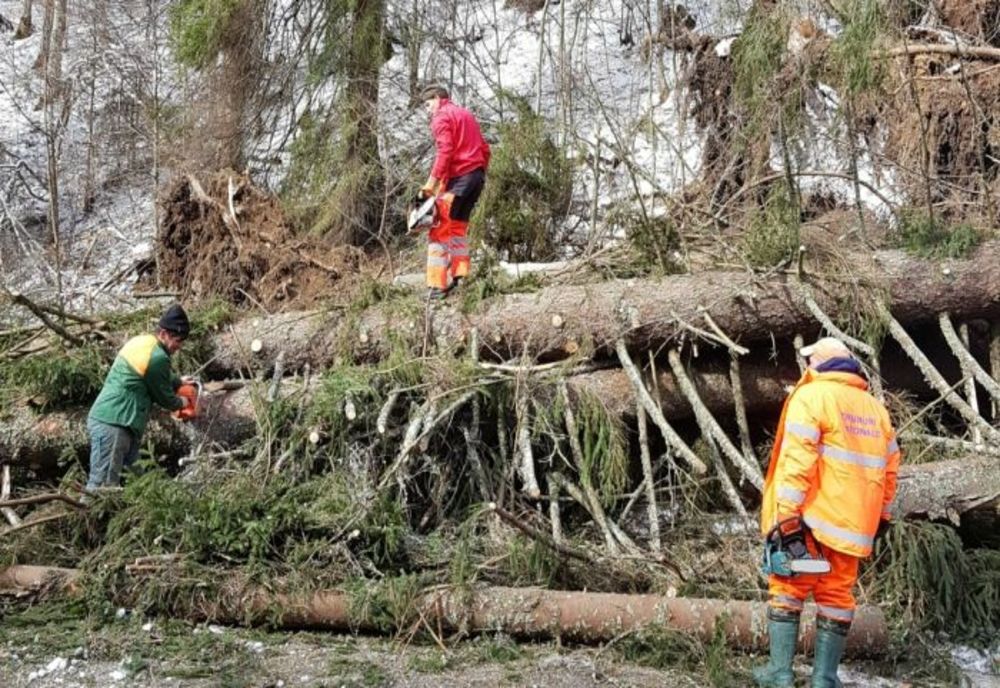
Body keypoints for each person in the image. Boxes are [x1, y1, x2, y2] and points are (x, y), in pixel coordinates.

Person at [755, 337, 901, 688]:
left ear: (817, 363)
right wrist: (880, 518)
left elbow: (797, 462)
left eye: (809, 362)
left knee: (787, 589)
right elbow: (890, 471)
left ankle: (779, 674)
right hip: (851, 530)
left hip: (809, 524)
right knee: (836, 597)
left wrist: (785, 516)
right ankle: (825, 679)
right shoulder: (876, 410)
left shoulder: (812, 397)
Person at [85, 304, 192, 492]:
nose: (179, 346)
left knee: (138, 482)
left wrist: (178, 382)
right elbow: (165, 398)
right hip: (115, 423)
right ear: (164, 333)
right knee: (102, 487)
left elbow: (155, 374)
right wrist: (184, 402)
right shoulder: (157, 357)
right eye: (177, 340)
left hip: (122, 423)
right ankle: (86, 511)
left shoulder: (143, 343)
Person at [418, 84, 490, 299]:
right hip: (476, 179)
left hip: (460, 180)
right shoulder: (466, 115)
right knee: (458, 228)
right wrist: (479, 172)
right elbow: (485, 149)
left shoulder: (441, 117)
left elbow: (445, 151)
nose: (428, 110)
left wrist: (430, 184)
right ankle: (461, 276)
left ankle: (437, 286)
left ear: (437, 98)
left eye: (428, 104)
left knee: (438, 228)